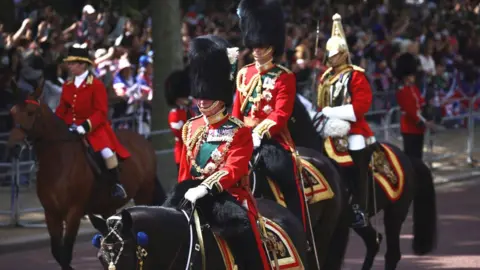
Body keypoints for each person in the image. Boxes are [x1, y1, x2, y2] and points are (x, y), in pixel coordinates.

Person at [178, 35, 270, 270]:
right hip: (192, 196)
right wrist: (184, 192)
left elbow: (233, 168)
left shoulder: (239, 131)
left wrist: (206, 187)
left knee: (245, 243)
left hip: (228, 197)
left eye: (207, 97)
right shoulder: (191, 126)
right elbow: (184, 169)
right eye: (199, 96)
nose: (201, 102)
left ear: (220, 96)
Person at [232, 0, 306, 231]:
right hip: (243, 137)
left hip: (272, 140)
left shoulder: (284, 76)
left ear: (272, 47)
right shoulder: (244, 74)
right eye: (254, 45)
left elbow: (281, 113)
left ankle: (298, 228)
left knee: (285, 175)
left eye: (261, 46)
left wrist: (258, 133)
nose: (256, 50)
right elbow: (237, 110)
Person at [316, 14, 374, 228]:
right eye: (329, 55)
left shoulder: (356, 76)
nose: (330, 59)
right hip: (328, 126)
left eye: (334, 55)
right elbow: (320, 104)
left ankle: (360, 206)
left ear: (343, 54)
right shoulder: (325, 77)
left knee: (356, 147)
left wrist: (331, 112)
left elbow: (359, 108)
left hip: (354, 127)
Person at [55, 43, 130, 199]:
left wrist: (84, 127)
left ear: (82, 64)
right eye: (68, 62)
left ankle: (116, 184)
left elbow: (100, 112)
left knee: (107, 152)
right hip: (70, 127)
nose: (69, 65)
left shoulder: (96, 85)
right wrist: (56, 124)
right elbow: (62, 109)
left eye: (72, 63)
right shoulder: (67, 86)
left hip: (94, 128)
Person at [395, 52, 433, 159]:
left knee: (417, 156)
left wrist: (427, 113)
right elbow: (410, 110)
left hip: (417, 128)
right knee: (412, 157)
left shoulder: (413, 88)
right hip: (409, 127)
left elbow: (420, 103)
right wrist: (424, 122)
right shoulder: (402, 90)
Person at [165, 67, 194, 171]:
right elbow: (182, 133)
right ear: (177, 99)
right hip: (182, 156)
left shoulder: (189, 110)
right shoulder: (174, 115)